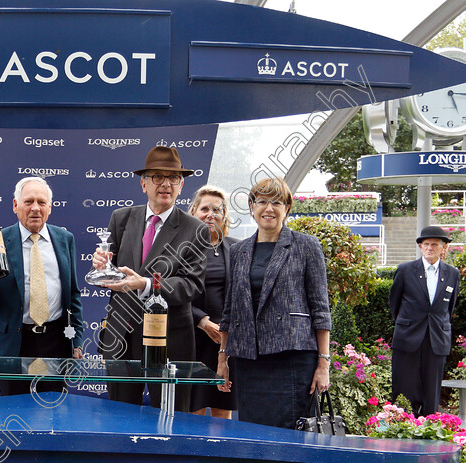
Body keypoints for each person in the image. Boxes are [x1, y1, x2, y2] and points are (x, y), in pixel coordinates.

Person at [93, 145, 208, 411]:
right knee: (121, 420)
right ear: (143, 184)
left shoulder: (196, 229)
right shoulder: (121, 218)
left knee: (171, 419)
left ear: (181, 186)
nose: (166, 184)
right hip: (121, 336)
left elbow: (191, 285)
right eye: (157, 177)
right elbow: (111, 269)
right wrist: (102, 264)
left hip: (170, 341)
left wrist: (145, 284)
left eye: (173, 178)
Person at [217, 177, 331, 429]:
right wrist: (222, 358)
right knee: (251, 432)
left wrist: (324, 363)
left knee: (291, 433)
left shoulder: (306, 246)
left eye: (276, 202)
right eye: (262, 202)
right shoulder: (239, 251)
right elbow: (230, 309)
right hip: (248, 360)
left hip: (291, 358)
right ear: (252, 206)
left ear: (287, 208)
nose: (269, 209)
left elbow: (320, 309)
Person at [0, 176, 84, 395]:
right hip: (14, 343)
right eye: (28, 201)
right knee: (12, 412)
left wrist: (77, 339)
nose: (35, 208)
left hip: (56, 342)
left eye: (41, 203)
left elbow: (73, 295)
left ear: (50, 208)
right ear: (15, 206)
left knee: (52, 414)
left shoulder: (65, 239)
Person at [390, 225, 460, 416]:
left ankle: (428, 433)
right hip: (408, 338)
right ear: (420, 247)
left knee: (431, 392)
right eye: (426, 244)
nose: (429, 248)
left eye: (434, 244)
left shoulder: (452, 274)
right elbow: (394, 304)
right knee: (404, 389)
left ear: (443, 248)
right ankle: (401, 430)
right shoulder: (405, 270)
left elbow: (448, 307)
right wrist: (408, 324)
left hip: (437, 339)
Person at [188, 185, 239, 419]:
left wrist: (227, 332)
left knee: (223, 413)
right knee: (192, 411)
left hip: (225, 345)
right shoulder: (182, 250)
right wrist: (203, 321)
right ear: (194, 212)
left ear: (225, 215)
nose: (211, 214)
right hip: (192, 341)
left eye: (217, 209)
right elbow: (171, 294)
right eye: (205, 208)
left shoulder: (237, 248)